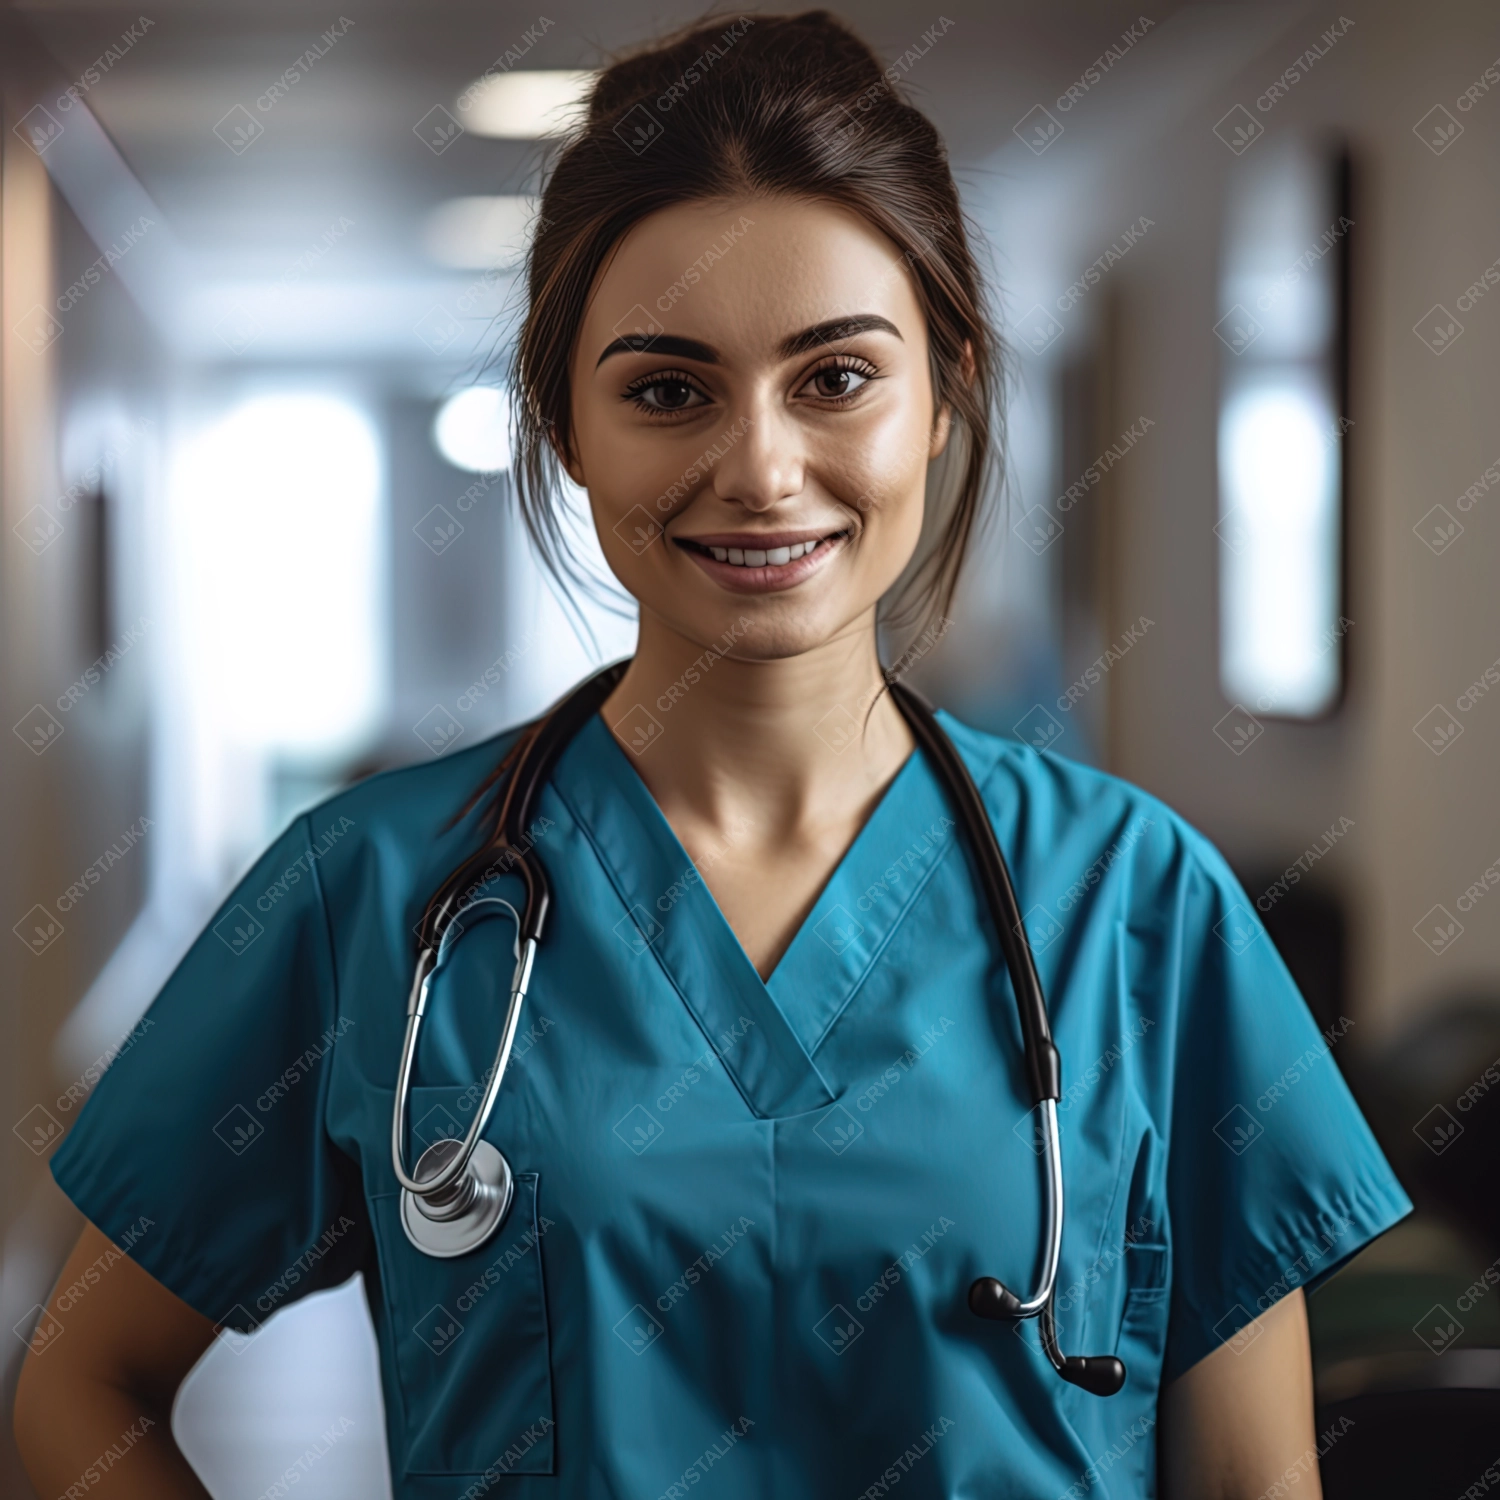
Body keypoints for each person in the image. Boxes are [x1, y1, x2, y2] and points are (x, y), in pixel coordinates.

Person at [15, 11, 1409, 1497]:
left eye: (837, 378)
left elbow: (1262, 1480)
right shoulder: (374, 893)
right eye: (667, 389)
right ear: (563, 425)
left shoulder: (1139, 905)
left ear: (947, 390)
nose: (758, 468)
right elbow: (81, 1382)